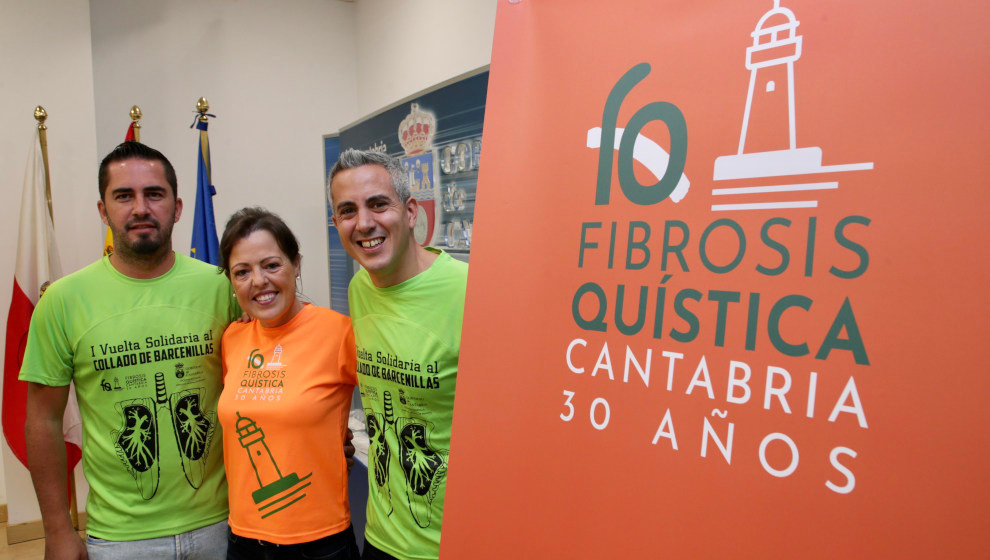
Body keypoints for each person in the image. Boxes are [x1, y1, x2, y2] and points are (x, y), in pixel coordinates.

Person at [21, 141, 240, 560]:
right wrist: (56, 530)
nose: (140, 208)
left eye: (153, 194)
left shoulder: (222, 286)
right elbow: (43, 420)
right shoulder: (64, 300)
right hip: (121, 538)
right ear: (103, 211)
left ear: (176, 208)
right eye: (124, 196)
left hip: (223, 524)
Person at [328, 149, 468, 560]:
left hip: (454, 544)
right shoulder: (360, 289)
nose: (365, 223)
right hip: (380, 537)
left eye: (378, 204)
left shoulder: (471, 291)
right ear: (336, 224)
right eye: (347, 211)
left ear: (409, 212)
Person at [216, 207, 360, 560]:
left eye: (271, 265)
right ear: (232, 282)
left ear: (295, 264)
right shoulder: (232, 339)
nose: (259, 281)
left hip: (320, 543)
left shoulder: (338, 332)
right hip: (244, 539)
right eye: (242, 272)